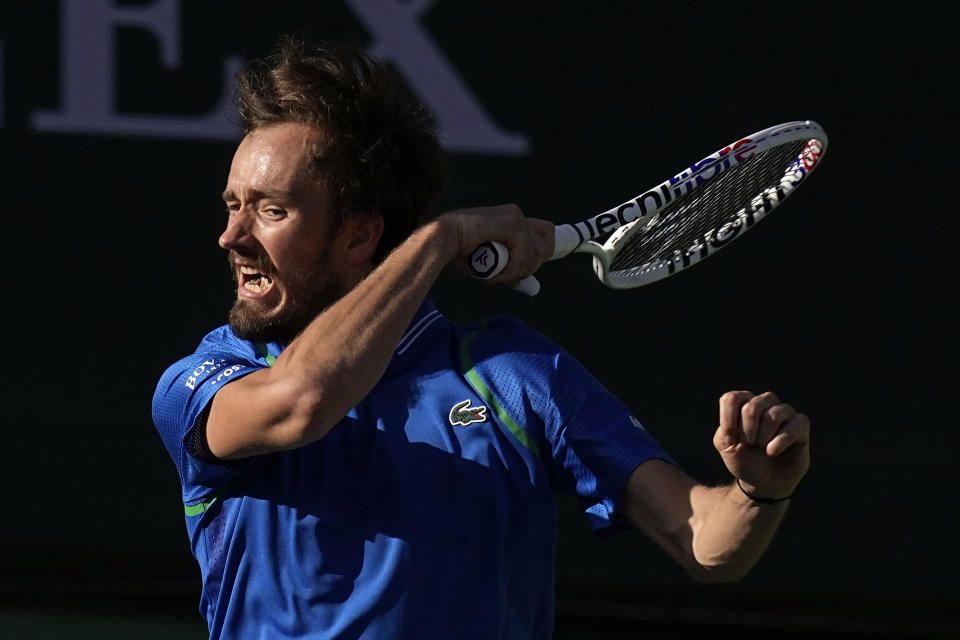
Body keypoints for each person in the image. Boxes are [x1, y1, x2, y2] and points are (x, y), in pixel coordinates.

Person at [151, 36, 810, 640]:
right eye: (232, 205)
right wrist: (443, 239)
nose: (231, 238)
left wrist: (759, 492)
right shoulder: (210, 379)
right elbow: (305, 399)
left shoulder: (515, 375)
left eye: (270, 210)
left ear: (358, 235)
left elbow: (703, 542)